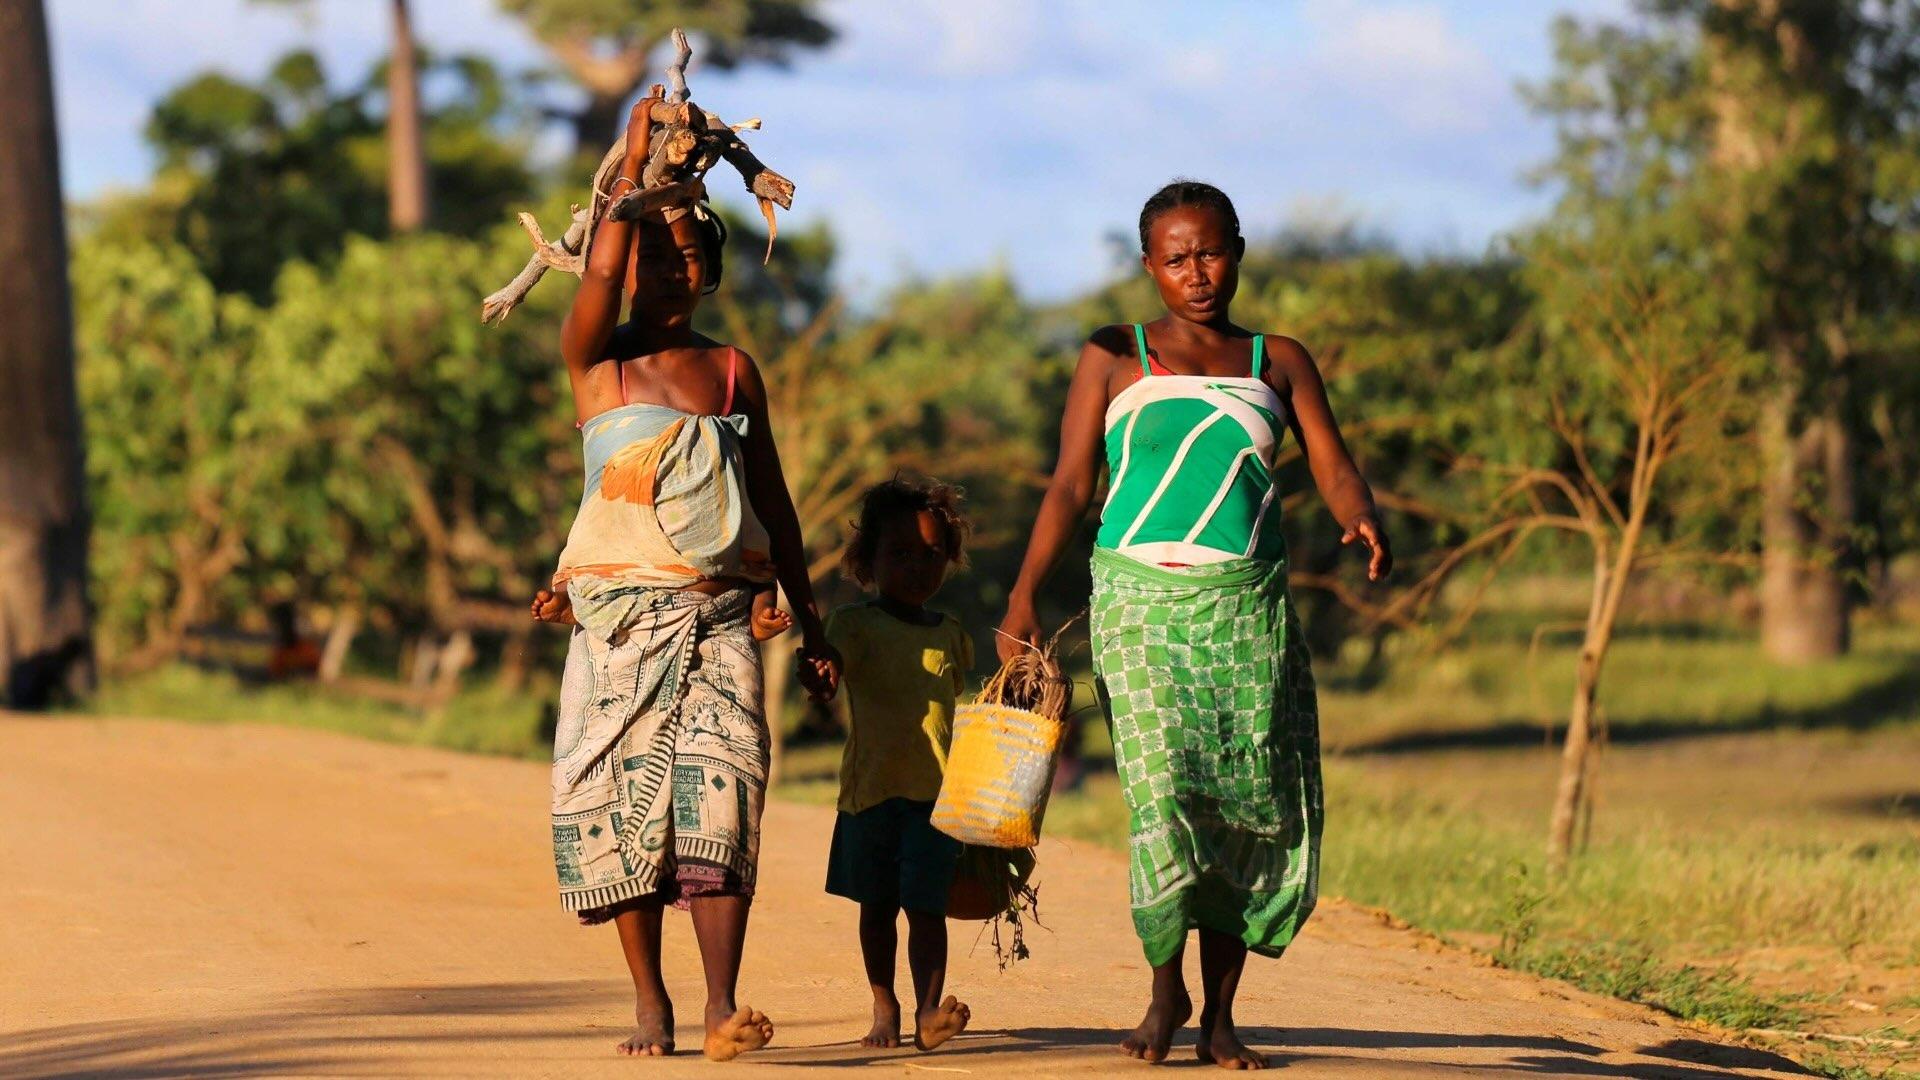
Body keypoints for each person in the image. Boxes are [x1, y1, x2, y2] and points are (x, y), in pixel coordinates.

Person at [996, 180, 1392, 1070]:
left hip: (1247, 610)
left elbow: (1332, 465)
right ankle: (1163, 986)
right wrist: (1024, 595)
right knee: (1164, 791)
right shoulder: (1114, 355)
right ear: (1149, 267)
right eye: (1175, 258)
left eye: (1209, 252)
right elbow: (1069, 486)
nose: (1196, 272)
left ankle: (1219, 1016)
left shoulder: (1277, 360)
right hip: (1136, 604)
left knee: (1240, 809)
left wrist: (1359, 513)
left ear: (1238, 250)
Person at [529, 86, 839, 1063]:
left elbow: (775, 504)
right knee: (629, 816)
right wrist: (632, 165)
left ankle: (720, 1005)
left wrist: (812, 617)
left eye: (692, 253)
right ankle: (651, 1005)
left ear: (712, 269)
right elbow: (599, 274)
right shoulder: (597, 365)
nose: (675, 266)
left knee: (727, 797)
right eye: (656, 254)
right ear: (626, 265)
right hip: (618, 626)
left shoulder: (733, 373)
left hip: (721, 621)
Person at [819, 478, 975, 1053]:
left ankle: (928, 1010)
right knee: (878, 908)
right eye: (900, 554)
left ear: (949, 560)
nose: (916, 567)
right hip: (870, 795)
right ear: (869, 560)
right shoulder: (854, 625)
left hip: (937, 800)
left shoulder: (953, 636)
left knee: (928, 909)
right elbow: (831, 665)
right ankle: (884, 1003)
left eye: (931, 555)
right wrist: (822, 671)